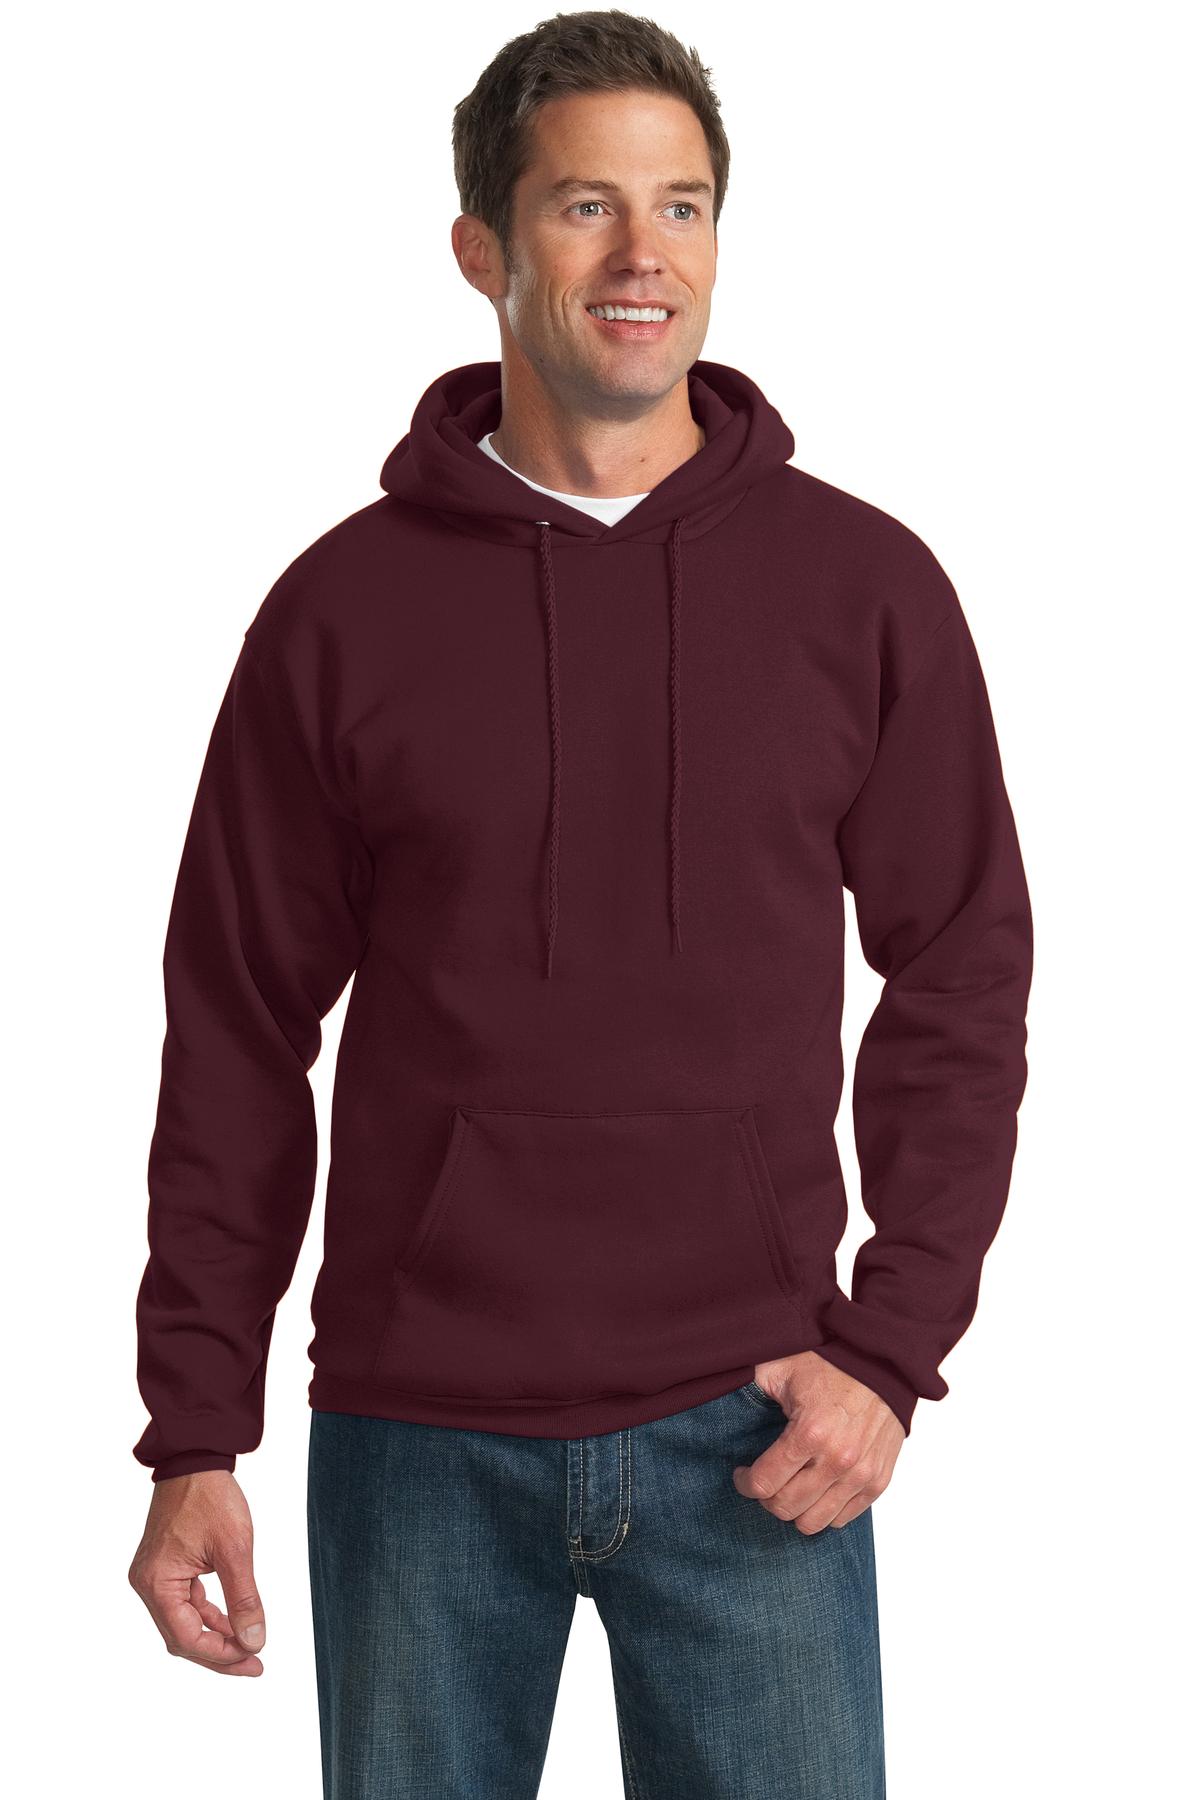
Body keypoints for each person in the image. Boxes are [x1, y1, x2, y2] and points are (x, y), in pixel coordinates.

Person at [127, 11, 1034, 1797]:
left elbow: (960, 974)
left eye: (683, 207)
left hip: (762, 1424)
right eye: (585, 207)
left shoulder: (863, 589)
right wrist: (194, 1429)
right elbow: (235, 1025)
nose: (644, 259)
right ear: (481, 247)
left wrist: (891, 1350)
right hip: (417, 1433)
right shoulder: (339, 613)